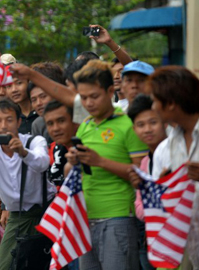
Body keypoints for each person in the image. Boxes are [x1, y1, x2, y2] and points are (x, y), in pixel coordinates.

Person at [64, 60, 149, 270]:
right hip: (86, 217)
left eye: (94, 96)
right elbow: (70, 173)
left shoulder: (129, 125)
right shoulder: (85, 126)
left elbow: (142, 176)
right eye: (83, 98)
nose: (89, 103)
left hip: (119, 216)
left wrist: (100, 161)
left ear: (111, 91)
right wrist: (72, 162)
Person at [0, 99, 55, 270]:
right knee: (6, 264)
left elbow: (42, 163)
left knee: (41, 263)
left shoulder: (33, 142)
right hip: (17, 216)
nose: (4, 125)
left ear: (19, 121)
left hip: (44, 212)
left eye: (9, 120)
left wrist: (22, 152)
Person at [129, 66, 199, 268]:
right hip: (184, 249)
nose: (152, 106)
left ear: (170, 104)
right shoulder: (164, 150)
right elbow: (161, 205)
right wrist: (148, 187)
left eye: (155, 100)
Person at [126, 94, 167, 270]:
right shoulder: (145, 163)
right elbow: (138, 206)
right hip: (151, 237)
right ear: (134, 129)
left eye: (153, 122)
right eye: (141, 125)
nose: (147, 129)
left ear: (165, 123)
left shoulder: (174, 154)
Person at [43, 100, 77, 188]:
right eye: (50, 123)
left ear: (75, 121)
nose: (55, 128)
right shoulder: (50, 150)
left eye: (61, 121)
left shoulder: (88, 149)